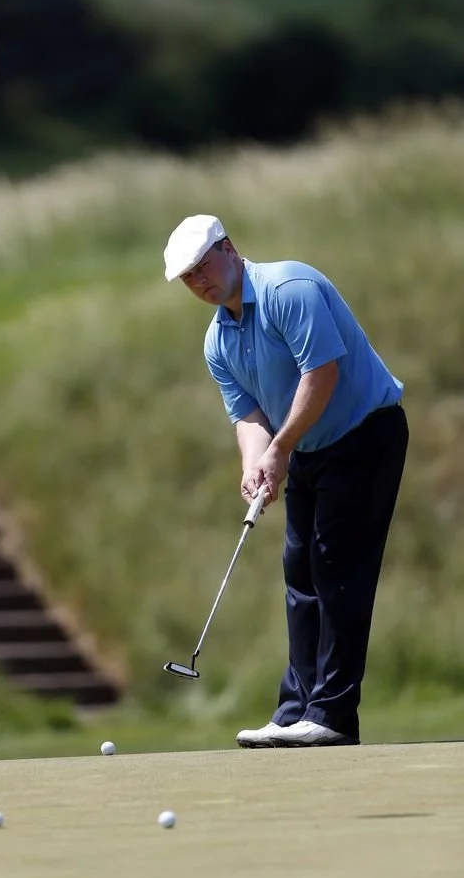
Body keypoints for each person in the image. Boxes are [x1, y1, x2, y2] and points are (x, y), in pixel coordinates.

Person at [163, 214, 408, 748]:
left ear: (229, 249)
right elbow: (248, 414)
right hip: (311, 449)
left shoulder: (288, 288)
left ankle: (333, 716)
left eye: (203, 266)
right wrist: (257, 463)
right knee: (299, 569)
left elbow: (321, 374)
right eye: (188, 278)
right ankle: (296, 709)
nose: (199, 282)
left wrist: (279, 450)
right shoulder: (217, 340)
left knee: (335, 566)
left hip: (365, 434)